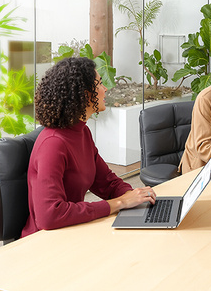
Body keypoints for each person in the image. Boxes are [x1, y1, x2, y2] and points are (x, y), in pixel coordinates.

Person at [21, 57, 156, 238]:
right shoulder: (52, 144)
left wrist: (136, 196)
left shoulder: (82, 132)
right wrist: (119, 203)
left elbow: (106, 182)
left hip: (71, 231)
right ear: (85, 95)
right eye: (99, 84)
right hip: (44, 242)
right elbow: (49, 216)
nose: (105, 89)